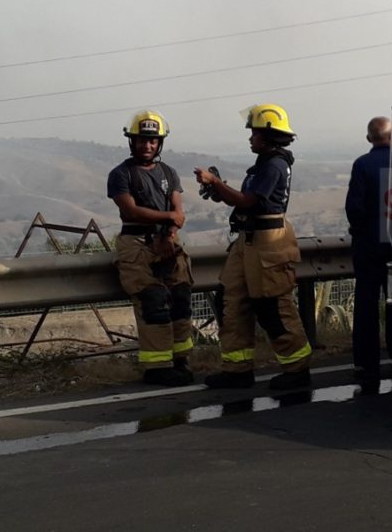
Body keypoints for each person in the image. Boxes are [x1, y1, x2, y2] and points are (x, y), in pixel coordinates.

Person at [194, 103, 312, 391]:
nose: (250, 138)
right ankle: (237, 369)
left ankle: (296, 368)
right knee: (231, 300)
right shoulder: (263, 165)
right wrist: (219, 190)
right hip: (248, 241)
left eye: (255, 133)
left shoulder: (274, 165)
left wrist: (216, 182)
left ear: (269, 135)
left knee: (272, 304)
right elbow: (245, 199)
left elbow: (247, 201)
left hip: (267, 243)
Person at [108, 110, 194, 387]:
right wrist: (168, 218)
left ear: (160, 143)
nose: (147, 145)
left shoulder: (169, 172)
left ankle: (181, 360)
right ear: (131, 141)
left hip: (168, 243)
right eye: (142, 140)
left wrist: (170, 232)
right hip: (136, 245)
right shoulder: (120, 174)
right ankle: (157, 367)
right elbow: (130, 211)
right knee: (153, 301)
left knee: (180, 299)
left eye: (153, 141)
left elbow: (177, 212)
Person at [345, 116, 392, 381]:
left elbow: (355, 208)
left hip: (369, 247)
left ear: (368, 138)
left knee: (366, 304)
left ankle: (366, 361)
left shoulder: (362, 165)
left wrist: (361, 232)